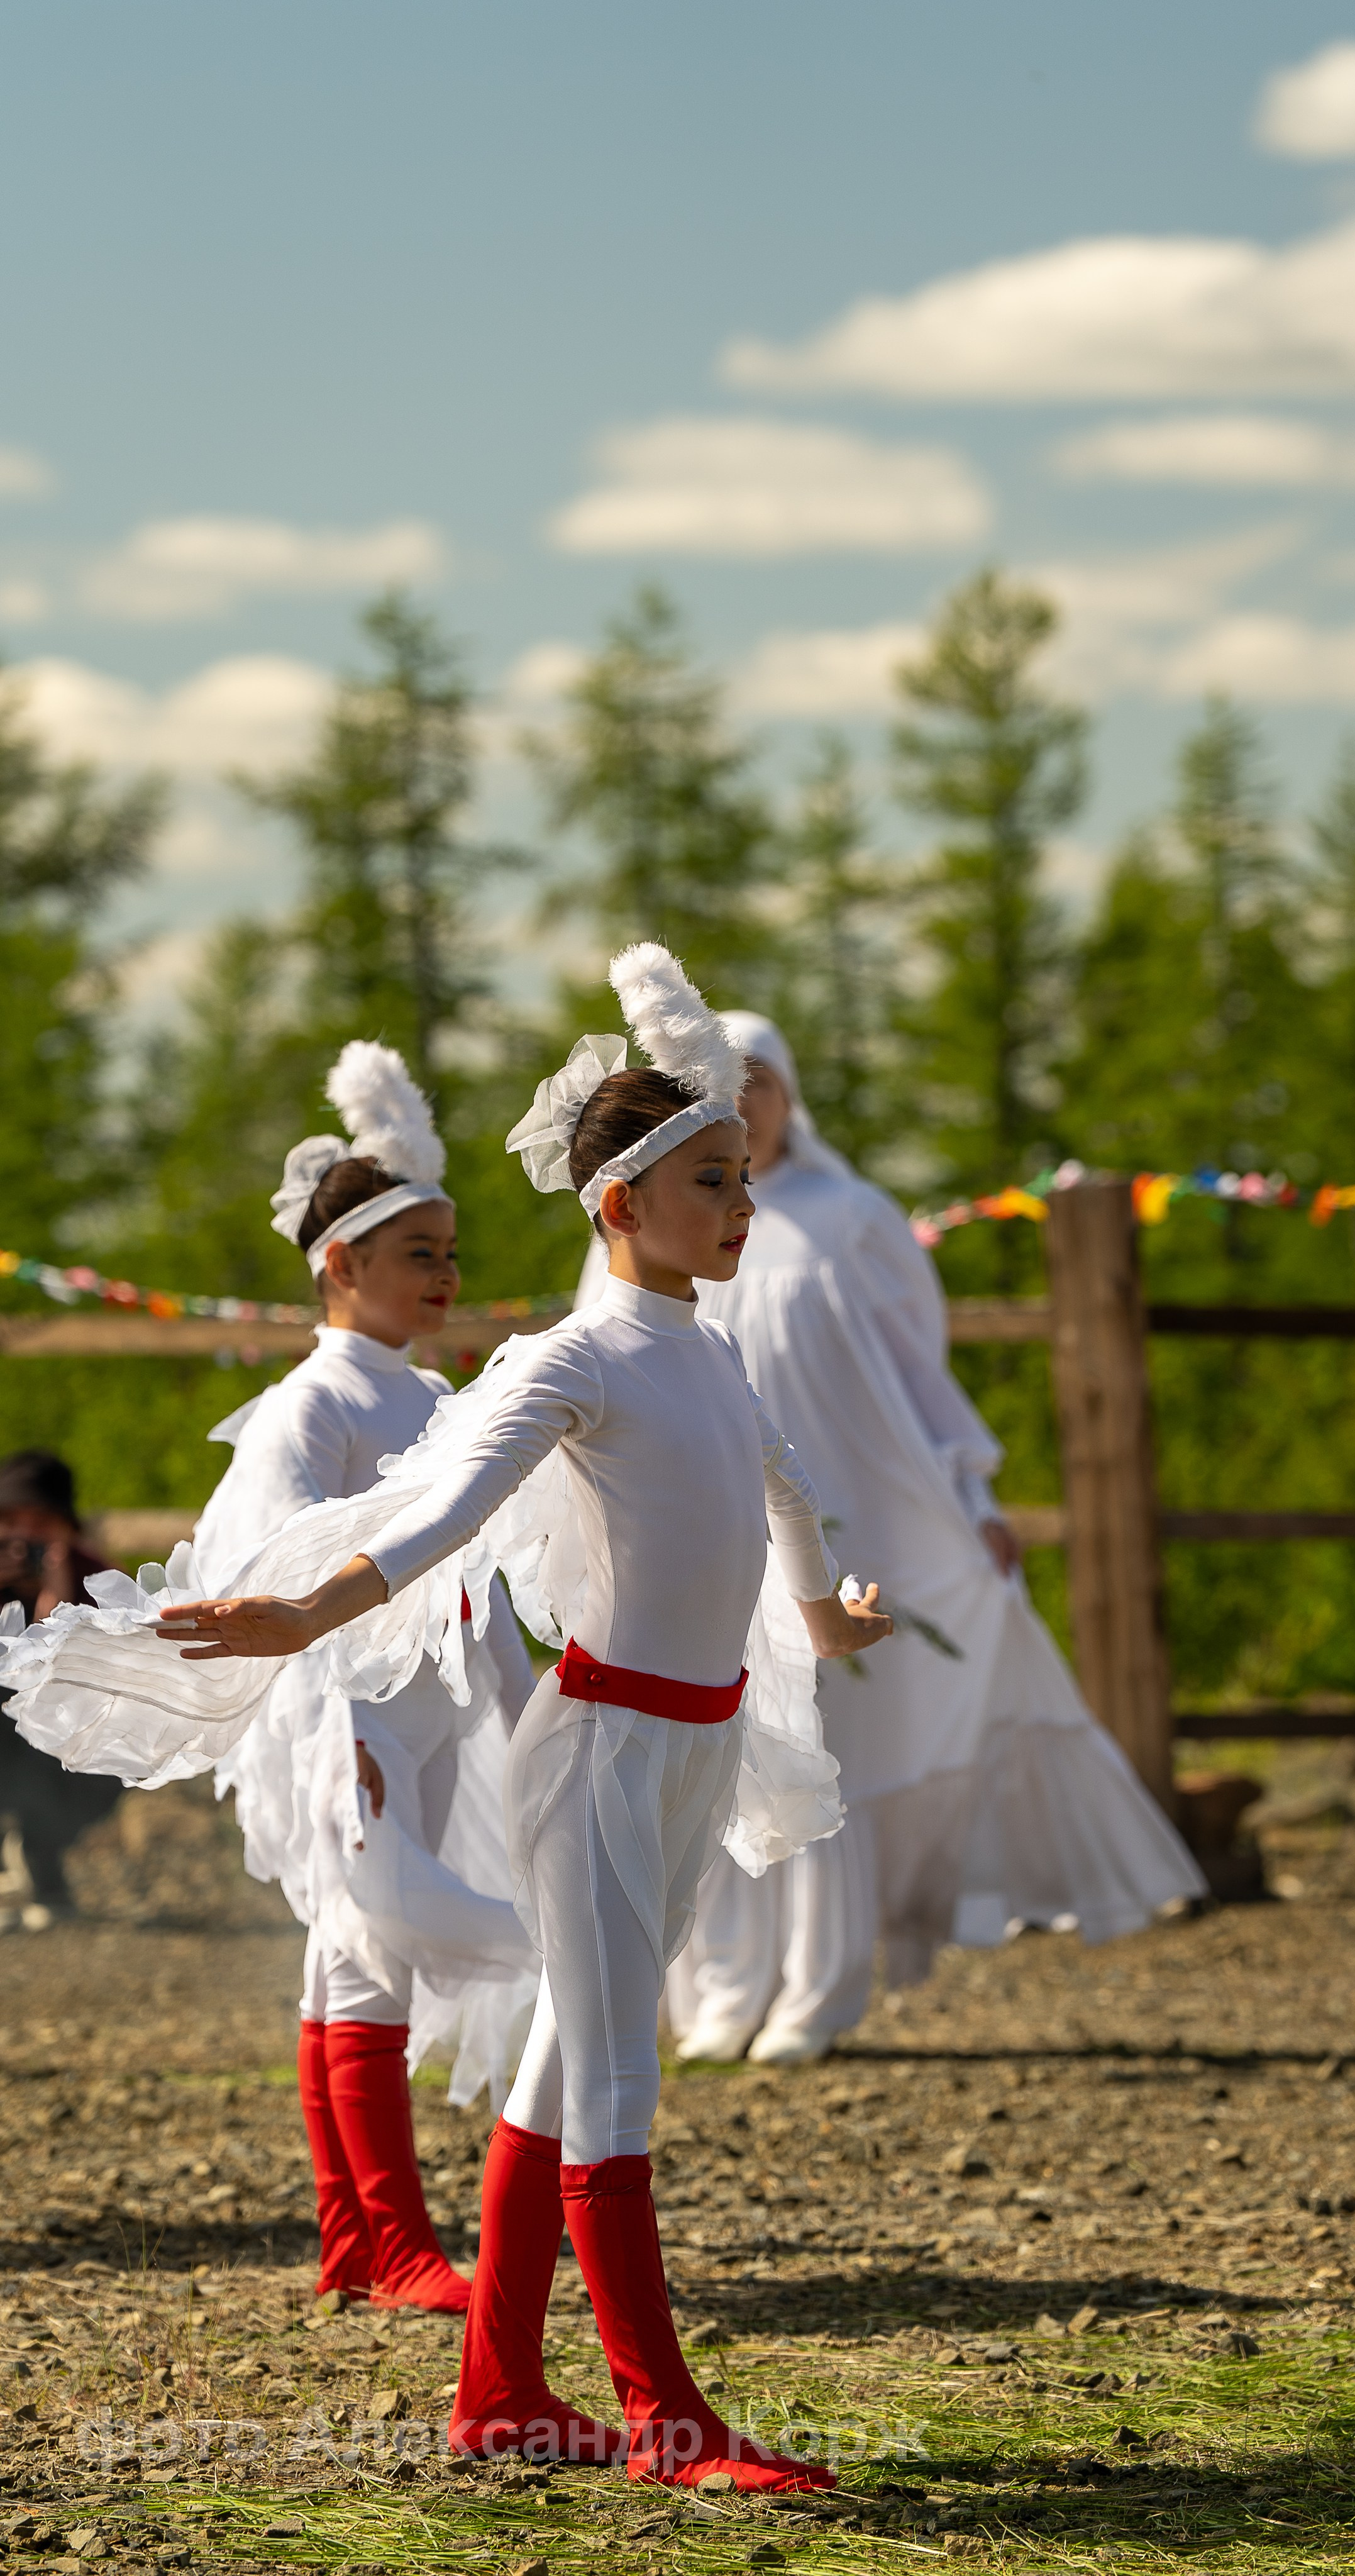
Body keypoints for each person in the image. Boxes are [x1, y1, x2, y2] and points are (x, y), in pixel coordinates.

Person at [121, 947, 892, 2488]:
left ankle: (497, 2395)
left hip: (699, 1741)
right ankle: (664, 2417)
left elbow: (780, 1494)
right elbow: (437, 1517)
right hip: (600, 1753)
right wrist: (294, 1616)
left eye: (748, 1177)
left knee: (562, 2072)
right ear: (618, 1204)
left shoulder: (711, 1351)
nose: (744, 1208)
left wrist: (822, 1621)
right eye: (713, 1183)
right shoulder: (573, 1359)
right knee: (615, 2079)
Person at [4, 1045, 539, 2313]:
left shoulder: (424, 1392)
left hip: (423, 1714)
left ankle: (351, 2237)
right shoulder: (312, 1407)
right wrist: (328, 1732)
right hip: (350, 1722)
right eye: (420, 1253)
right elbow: (267, 1576)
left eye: (452, 1252)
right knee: (366, 1955)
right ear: (340, 1265)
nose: (448, 1277)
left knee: (342, 1964)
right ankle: (397, 2240)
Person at [611, 1014, 1204, 2068]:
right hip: (703, 1520)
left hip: (840, 1518)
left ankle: (818, 1988)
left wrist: (969, 1494)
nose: (748, 1104)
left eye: (764, 1084)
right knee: (712, 1742)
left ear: (792, 1093)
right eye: (724, 1086)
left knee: (811, 1737)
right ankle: (716, 1987)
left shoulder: (854, 1217)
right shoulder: (653, 1222)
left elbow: (916, 1370)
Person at [0, 1450, 123, 1929]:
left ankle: (39, 1858)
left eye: (41, 1522)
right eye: (12, 1520)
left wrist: (58, 1596)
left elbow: (79, 1678)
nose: (24, 1536)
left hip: (62, 1744)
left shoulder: (97, 1576)